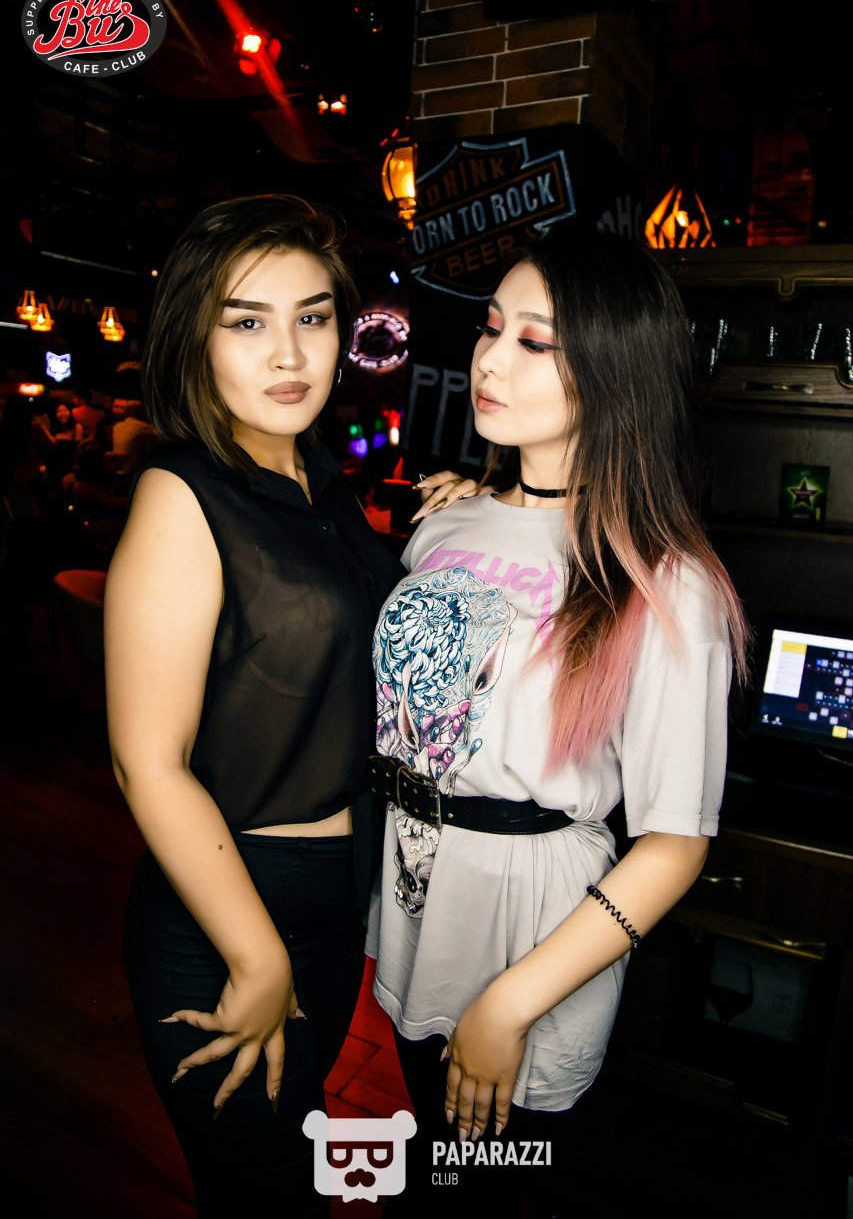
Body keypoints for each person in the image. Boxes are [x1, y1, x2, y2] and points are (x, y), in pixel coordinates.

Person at [367, 222, 749, 1215]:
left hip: (531, 935)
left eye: (534, 341)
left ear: (613, 374)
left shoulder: (662, 580)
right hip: (411, 901)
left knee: (491, 1193)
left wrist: (509, 1003)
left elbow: (674, 842)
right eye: (491, 328)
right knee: (429, 1179)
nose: (489, 359)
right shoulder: (444, 521)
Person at [104, 194, 474, 1218]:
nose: (289, 352)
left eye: (312, 317)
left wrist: (453, 521)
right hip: (226, 908)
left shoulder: (317, 479)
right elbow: (146, 761)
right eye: (247, 320)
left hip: (335, 898)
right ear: (195, 335)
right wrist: (255, 952)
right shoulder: (182, 493)